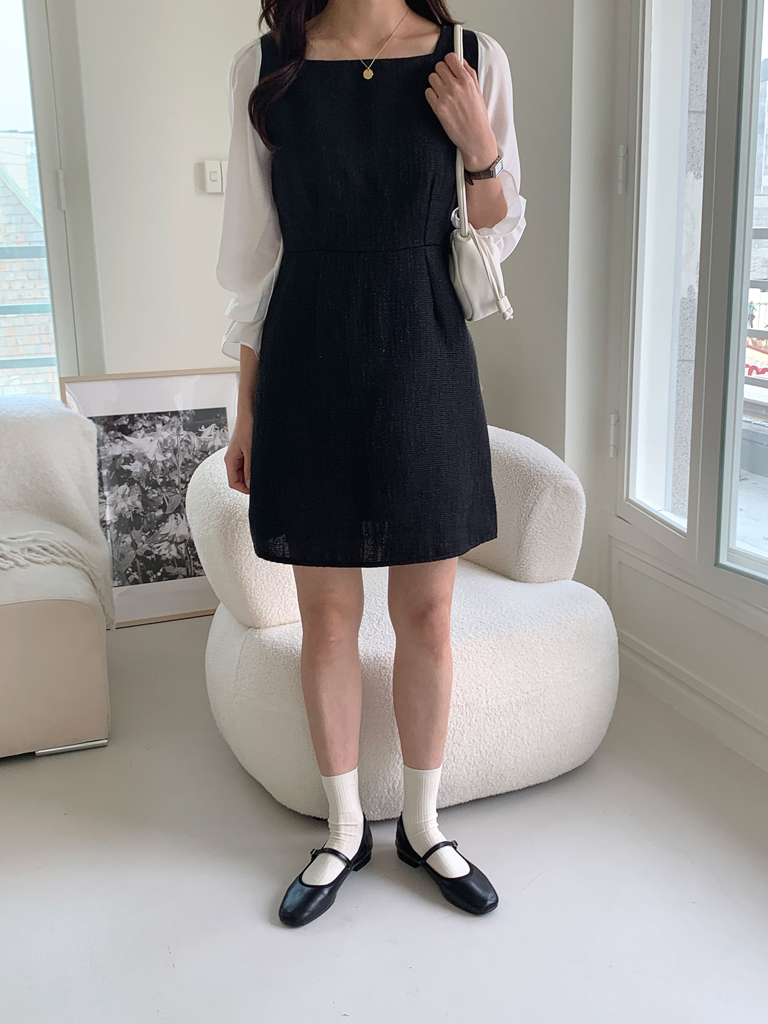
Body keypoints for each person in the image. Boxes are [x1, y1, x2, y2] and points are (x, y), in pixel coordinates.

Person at [216, 0, 526, 927]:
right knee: (327, 617)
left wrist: (480, 148)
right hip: (306, 357)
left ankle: (424, 827)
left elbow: (496, 231)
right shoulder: (266, 69)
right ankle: (343, 828)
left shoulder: (472, 58)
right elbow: (256, 261)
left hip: (424, 358)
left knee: (428, 614)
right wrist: (246, 410)